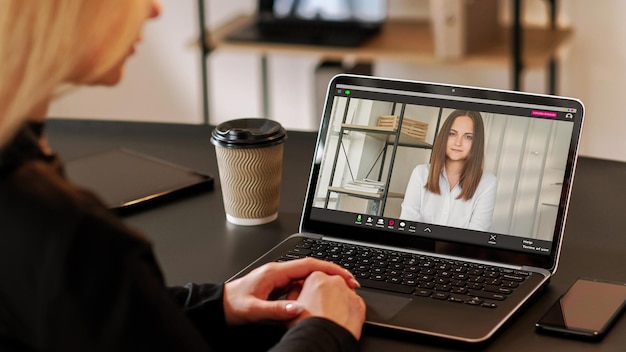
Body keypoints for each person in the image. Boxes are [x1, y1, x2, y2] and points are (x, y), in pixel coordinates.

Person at [0, 1, 365, 351]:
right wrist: (324, 329)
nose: (154, 9)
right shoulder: (75, 235)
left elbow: (93, 319)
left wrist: (218, 301)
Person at [400, 110, 497, 231]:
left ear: (476, 142)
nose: (458, 142)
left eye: (468, 137)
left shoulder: (487, 183)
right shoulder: (421, 174)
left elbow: (476, 235)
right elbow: (407, 225)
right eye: (452, 134)